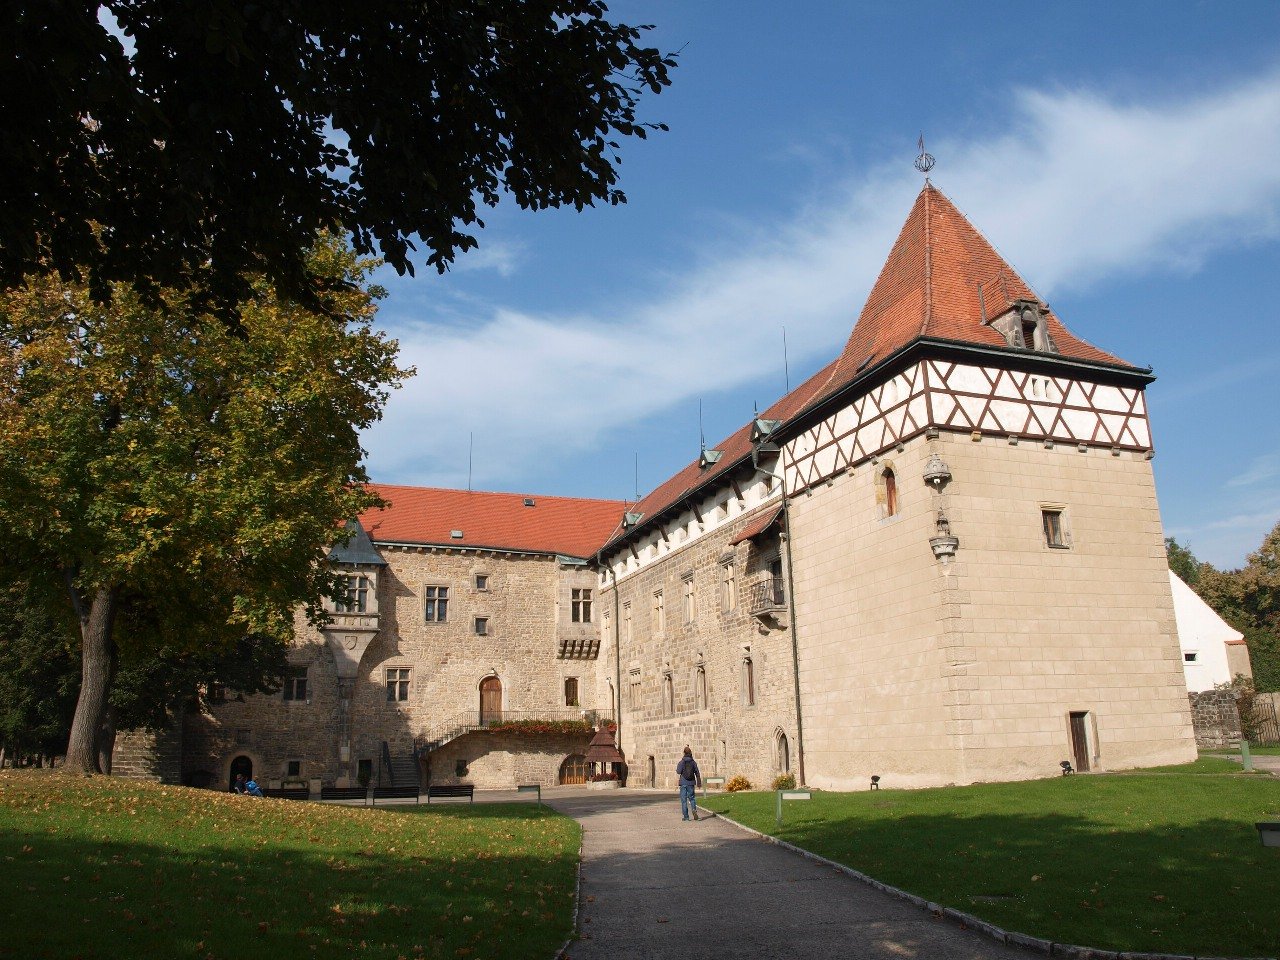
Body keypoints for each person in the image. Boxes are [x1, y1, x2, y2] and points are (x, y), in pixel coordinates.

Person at [675, 746, 701, 821]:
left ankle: (686, 817)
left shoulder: (682, 762)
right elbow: (697, 773)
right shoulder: (693, 762)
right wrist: (699, 783)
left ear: (684, 753)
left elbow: (678, 771)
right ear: (690, 753)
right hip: (691, 783)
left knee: (684, 800)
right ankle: (694, 810)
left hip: (683, 782)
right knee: (692, 798)